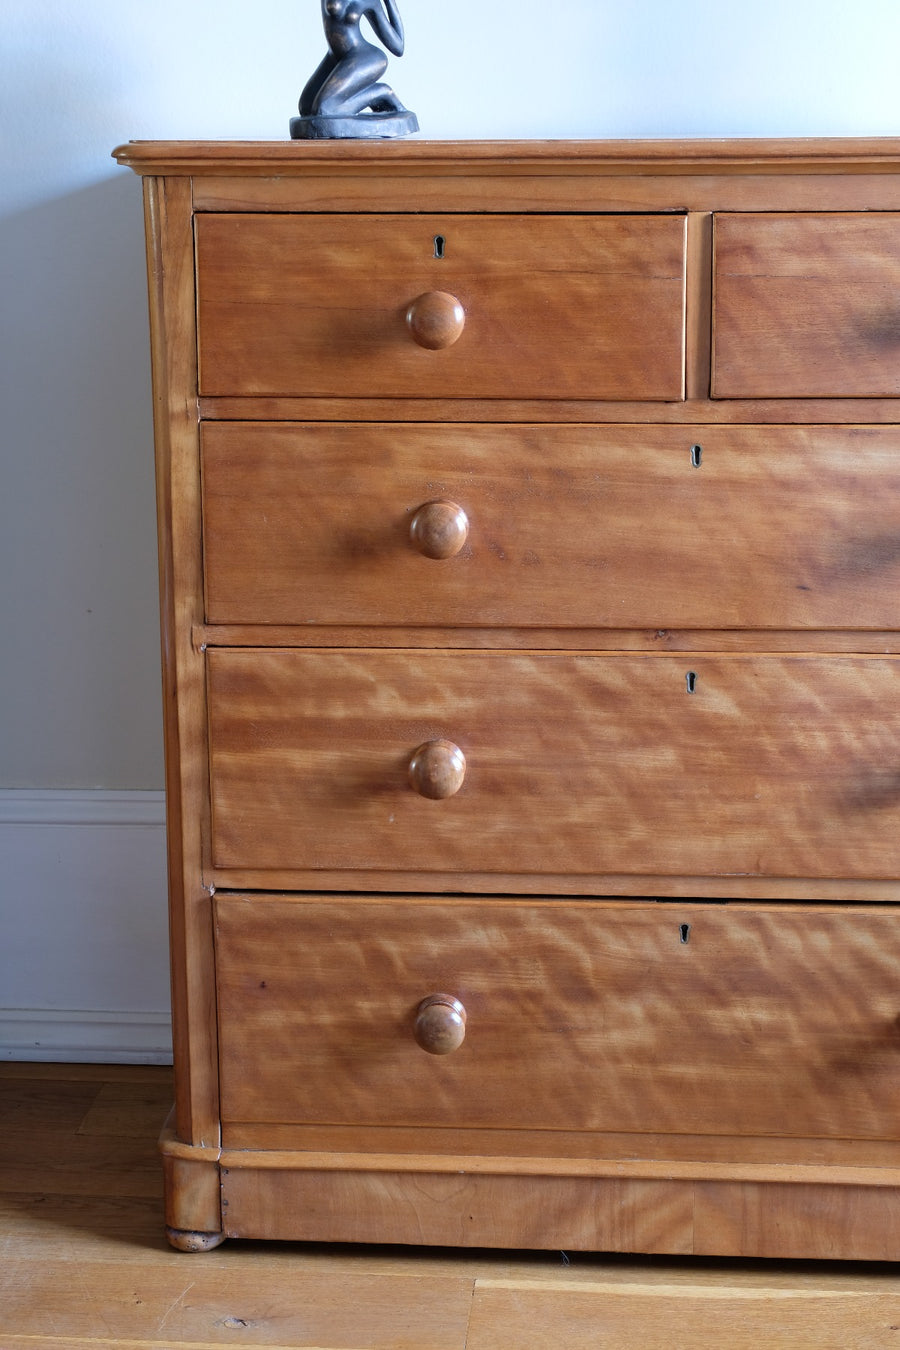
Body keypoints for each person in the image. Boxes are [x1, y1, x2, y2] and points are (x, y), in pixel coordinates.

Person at [299, 0, 410, 119]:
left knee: (325, 109)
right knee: (306, 107)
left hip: (365, 58)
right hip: (337, 58)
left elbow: (398, 47)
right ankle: (377, 94)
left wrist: (389, 2)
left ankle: (382, 93)